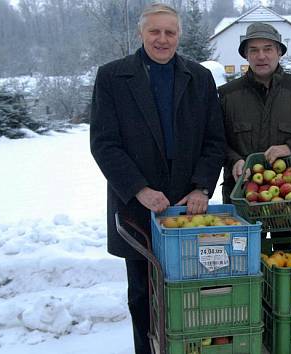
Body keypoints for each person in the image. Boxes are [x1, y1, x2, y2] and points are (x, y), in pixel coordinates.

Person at [89, 4, 225, 354]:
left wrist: (201, 186)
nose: (162, 39)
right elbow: (104, 143)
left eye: (170, 32)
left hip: (186, 207)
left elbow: (214, 140)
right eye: (155, 32)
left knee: (193, 289)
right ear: (141, 33)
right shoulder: (112, 76)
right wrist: (139, 189)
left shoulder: (199, 77)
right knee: (143, 293)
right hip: (137, 206)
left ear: (179, 35)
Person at [218, 22, 291, 208]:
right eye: (254, 50)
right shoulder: (228, 95)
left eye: (268, 49)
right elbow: (215, 140)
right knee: (246, 239)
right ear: (246, 55)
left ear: (279, 52)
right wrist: (234, 160)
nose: (261, 56)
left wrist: (290, 147)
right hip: (241, 194)